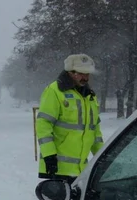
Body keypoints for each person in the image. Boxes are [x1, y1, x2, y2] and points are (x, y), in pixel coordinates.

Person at [35, 53, 104, 183]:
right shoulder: (55, 91)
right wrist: (49, 154)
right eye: (82, 73)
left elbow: (95, 132)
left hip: (81, 171)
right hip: (57, 169)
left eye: (87, 74)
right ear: (70, 72)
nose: (86, 77)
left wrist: (103, 158)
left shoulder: (90, 96)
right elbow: (44, 124)